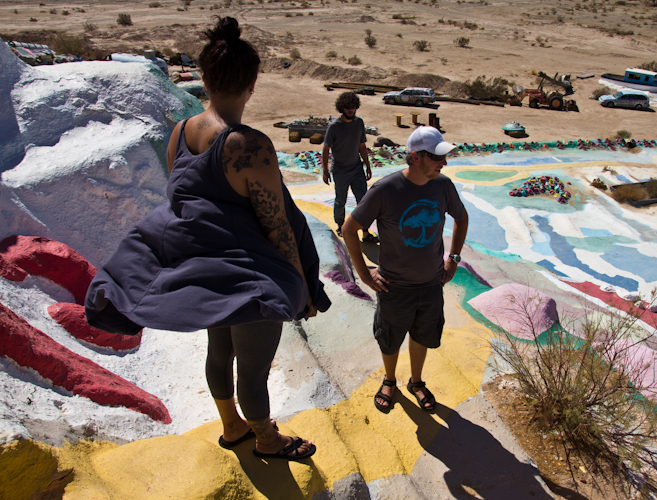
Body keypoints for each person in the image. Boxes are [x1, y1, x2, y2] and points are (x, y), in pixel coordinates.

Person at [85, 17, 330, 460]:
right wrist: (300, 285)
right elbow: (276, 223)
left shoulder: (180, 132)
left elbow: (188, 197)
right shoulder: (247, 146)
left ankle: (232, 426)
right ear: (252, 84)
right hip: (246, 271)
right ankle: (268, 441)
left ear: (203, 78)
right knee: (253, 372)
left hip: (203, 267)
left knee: (220, 353)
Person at [341, 126, 469, 414]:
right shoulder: (385, 190)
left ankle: (417, 381)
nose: (443, 163)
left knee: (423, 335)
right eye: (437, 157)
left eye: (443, 157)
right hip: (393, 286)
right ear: (415, 157)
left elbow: (462, 218)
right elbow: (350, 229)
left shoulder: (443, 186)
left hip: (431, 283)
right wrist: (364, 274)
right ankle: (389, 381)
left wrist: (453, 259)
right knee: (389, 337)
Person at [322, 91, 379, 242]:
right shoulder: (334, 127)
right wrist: (325, 171)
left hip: (356, 169)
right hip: (340, 170)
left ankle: (365, 232)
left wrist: (367, 165)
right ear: (342, 108)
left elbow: (362, 146)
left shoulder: (359, 123)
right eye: (347, 107)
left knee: (364, 200)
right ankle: (340, 225)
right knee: (341, 200)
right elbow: (326, 149)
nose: (351, 109)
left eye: (353, 107)